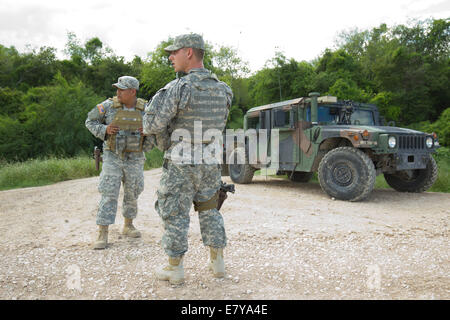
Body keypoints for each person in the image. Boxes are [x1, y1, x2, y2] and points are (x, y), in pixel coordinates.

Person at [143, 34, 233, 284]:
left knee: (175, 212)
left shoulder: (179, 88)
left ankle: (175, 268)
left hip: (181, 163)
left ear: (189, 53)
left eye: (175, 52)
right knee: (210, 209)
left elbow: (151, 123)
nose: (171, 57)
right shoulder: (224, 89)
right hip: (210, 161)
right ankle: (218, 264)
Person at [86, 76, 153, 250]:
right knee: (109, 193)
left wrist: (147, 133)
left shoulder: (146, 109)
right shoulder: (108, 106)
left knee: (133, 192)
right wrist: (104, 130)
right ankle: (103, 231)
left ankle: (128, 224)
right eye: (117, 89)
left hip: (136, 158)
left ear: (132, 92)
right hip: (112, 156)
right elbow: (89, 121)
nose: (118, 92)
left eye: (122, 89)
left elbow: (157, 130)